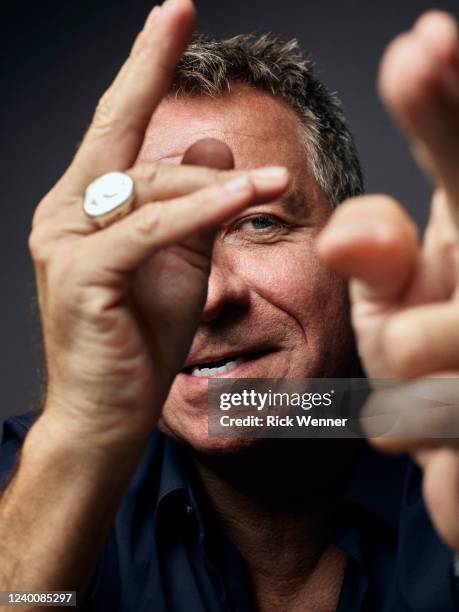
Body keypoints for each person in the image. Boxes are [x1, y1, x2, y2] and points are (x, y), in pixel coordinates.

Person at [1, 0, 459, 609]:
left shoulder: (443, 428)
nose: (210, 297)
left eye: (259, 225)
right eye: (159, 242)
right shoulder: (42, 471)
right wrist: (81, 435)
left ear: (348, 244)